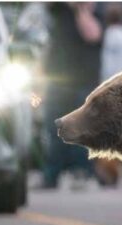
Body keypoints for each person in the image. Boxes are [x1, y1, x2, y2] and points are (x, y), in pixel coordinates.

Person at [39, 2, 102, 190]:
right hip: (57, 80)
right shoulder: (59, 9)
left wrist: (81, 9)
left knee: (81, 131)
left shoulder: (96, 12)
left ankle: (81, 174)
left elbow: (93, 35)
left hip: (83, 82)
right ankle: (51, 175)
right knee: (53, 129)